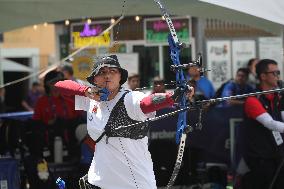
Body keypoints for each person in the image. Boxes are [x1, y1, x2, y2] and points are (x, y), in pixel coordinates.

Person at [54, 55, 194, 189]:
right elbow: (59, 85)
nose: (107, 75)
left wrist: (173, 96)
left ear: (120, 77)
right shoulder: (91, 99)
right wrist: (86, 91)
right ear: (95, 79)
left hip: (134, 183)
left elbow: (146, 103)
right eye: (102, 72)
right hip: (98, 181)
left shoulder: (130, 99)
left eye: (113, 71)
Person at [243, 59, 284, 189]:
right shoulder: (253, 99)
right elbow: (270, 124)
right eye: (274, 72)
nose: (278, 76)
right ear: (263, 76)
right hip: (260, 157)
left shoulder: (278, 96)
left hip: (278, 153)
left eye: (279, 72)